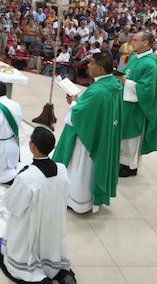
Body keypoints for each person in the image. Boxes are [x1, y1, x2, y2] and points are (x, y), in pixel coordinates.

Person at [0, 127, 74, 284]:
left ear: (33, 146)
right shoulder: (61, 170)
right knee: (52, 256)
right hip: (52, 229)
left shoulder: (27, 178)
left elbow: (12, 205)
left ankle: (41, 280)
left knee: (18, 257)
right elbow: (64, 196)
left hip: (31, 230)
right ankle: (60, 274)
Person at [52, 53, 122, 214]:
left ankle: (78, 201)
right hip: (100, 134)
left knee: (80, 167)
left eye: (91, 63)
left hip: (86, 138)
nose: (88, 66)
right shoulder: (113, 84)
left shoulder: (97, 91)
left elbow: (80, 115)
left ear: (100, 69)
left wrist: (74, 102)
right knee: (89, 169)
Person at [118, 31, 157, 177]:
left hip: (137, 107)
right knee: (124, 135)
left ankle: (131, 166)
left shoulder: (150, 64)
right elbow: (126, 72)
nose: (131, 42)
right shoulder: (135, 58)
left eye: (135, 40)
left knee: (132, 137)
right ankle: (122, 162)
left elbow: (147, 90)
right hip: (126, 103)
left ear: (145, 43)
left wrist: (125, 82)